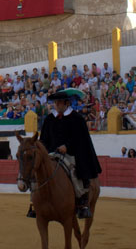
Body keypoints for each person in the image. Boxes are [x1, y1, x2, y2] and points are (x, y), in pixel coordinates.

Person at [27, 89, 102, 219]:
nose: (56, 105)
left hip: (71, 154)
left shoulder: (77, 119)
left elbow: (80, 139)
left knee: (73, 171)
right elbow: (44, 139)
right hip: (51, 154)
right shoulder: (50, 119)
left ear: (66, 103)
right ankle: (34, 202)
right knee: (37, 170)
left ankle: (82, 201)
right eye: (55, 102)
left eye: (59, 102)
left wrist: (67, 147)